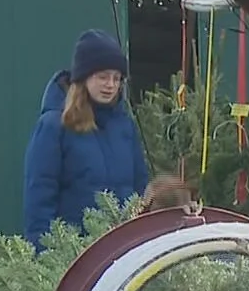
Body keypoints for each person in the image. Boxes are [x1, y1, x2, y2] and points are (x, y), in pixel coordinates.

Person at [22, 29, 182, 249]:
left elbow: (139, 189)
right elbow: (39, 196)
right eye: (103, 77)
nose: (110, 85)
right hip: (72, 253)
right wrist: (44, 253)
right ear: (83, 77)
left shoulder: (125, 126)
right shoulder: (53, 126)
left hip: (121, 249)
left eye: (117, 78)